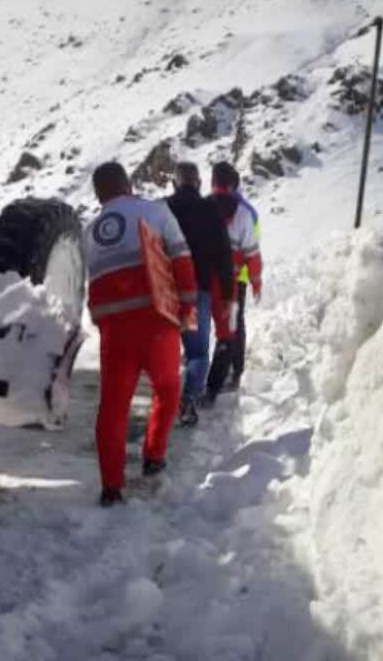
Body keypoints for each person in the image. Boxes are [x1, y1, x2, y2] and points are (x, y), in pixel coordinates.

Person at [84, 162, 197, 507]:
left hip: (113, 330)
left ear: (98, 194)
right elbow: (181, 261)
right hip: (155, 322)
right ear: (128, 185)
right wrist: (188, 306)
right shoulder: (154, 212)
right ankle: (153, 455)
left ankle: (111, 488)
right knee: (167, 388)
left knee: (113, 407)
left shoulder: (88, 231)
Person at [164, 162, 234, 427]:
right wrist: (227, 292)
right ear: (199, 183)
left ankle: (161, 400)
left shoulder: (161, 209)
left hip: (162, 294)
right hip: (195, 295)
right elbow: (224, 255)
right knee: (197, 353)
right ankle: (188, 401)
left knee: (163, 349)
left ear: (174, 183)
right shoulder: (210, 210)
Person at [203, 161, 262, 406]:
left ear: (213, 182)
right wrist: (256, 279)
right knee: (230, 331)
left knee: (195, 326)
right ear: (234, 184)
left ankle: (192, 372)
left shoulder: (201, 207)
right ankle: (221, 381)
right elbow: (252, 251)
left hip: (201, 280)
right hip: (233, 283)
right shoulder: (245, 212)